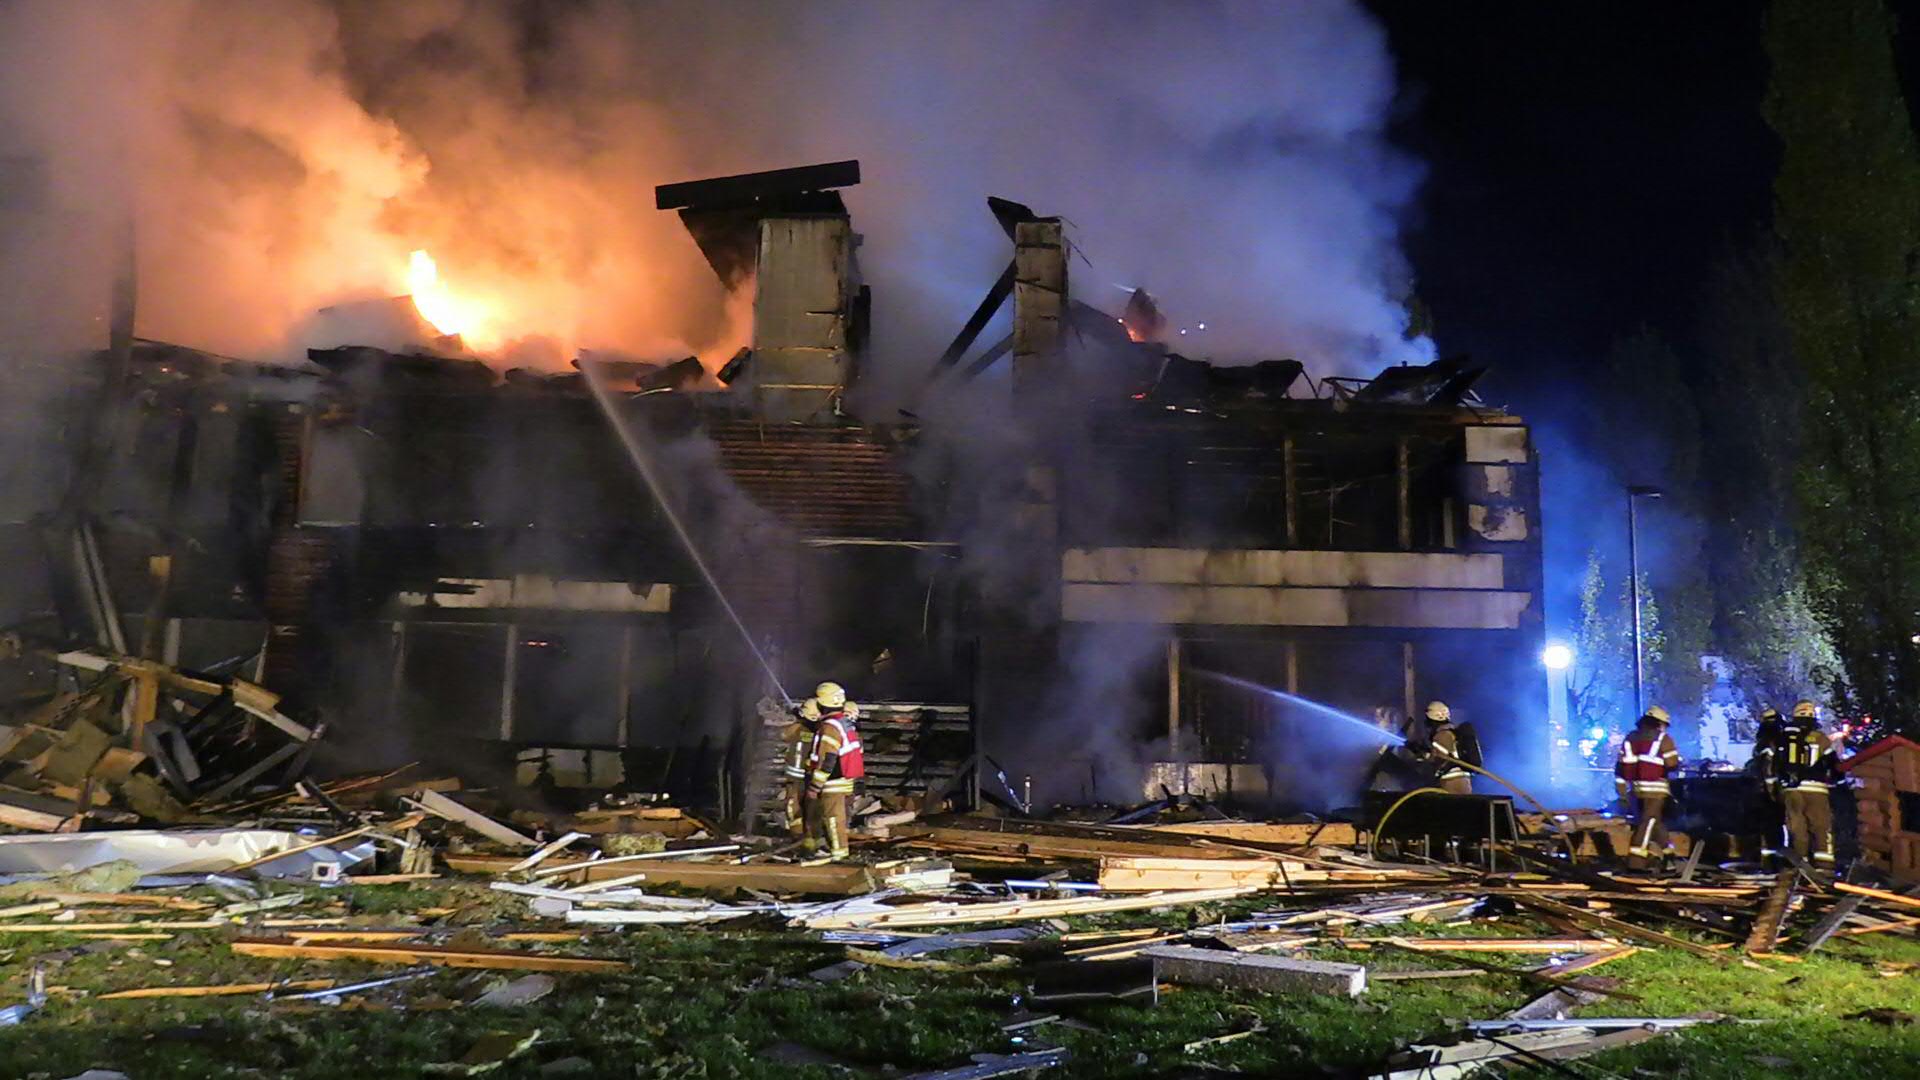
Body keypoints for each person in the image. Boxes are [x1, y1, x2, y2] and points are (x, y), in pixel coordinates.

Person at [1768, 700, 1839, 866]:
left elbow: (1771, 765)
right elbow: (1833, 764)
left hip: (1792, 790)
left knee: (1797, 829)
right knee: (1821, 828)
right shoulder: (1821, 738)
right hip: (1817, 790)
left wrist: (1774, 789)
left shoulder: (1783, 738)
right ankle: (1824, 867)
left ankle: (1800, 866)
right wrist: (1838, 783)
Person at [803, 681, 865, 861]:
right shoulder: (844, 723)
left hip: (834, 781)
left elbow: (827, 759)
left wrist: (815, 786)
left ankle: (839, 856)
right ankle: (833, 850)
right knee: (837, 818)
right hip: (847, 778)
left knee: (833, 818)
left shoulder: (830, 727)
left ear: (822, 703)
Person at [1616, 705, 1681, 869]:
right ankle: (1636, 862)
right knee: (1648, 822)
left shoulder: (1630, 738)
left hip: (1636, 789)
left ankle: (1669, 855)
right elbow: (1672, 763)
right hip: (1656, 789)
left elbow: (1621, 766)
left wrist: (1622, 792)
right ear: (1659, 723)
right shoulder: (1663, 739)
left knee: (1655, 822)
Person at [1750, 706, 1788, 861]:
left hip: (1760, 790)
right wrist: (1773, 790)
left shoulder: (1761, 742)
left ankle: (1768, 861)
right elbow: (1768, 768)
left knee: (1768, 827)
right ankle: (1776, 860)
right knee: (1776, 825)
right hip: (1772, 791)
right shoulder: (1774, 741)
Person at [780, 698, 821, 840]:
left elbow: (784, 735)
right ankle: (808, 836)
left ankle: (798, 836)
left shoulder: (797, 728)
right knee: (808, 807)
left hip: (795, 777)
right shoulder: (820, 731)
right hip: (810, 776)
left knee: (793, 806)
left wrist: (798, 719)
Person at [1420, 701, 1473, 795]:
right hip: (1463, 780)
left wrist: (1423, 754)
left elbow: (1441, 758)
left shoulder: (1441, 735)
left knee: (1453, 808)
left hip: (1452, 781)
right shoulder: (1452, 732)